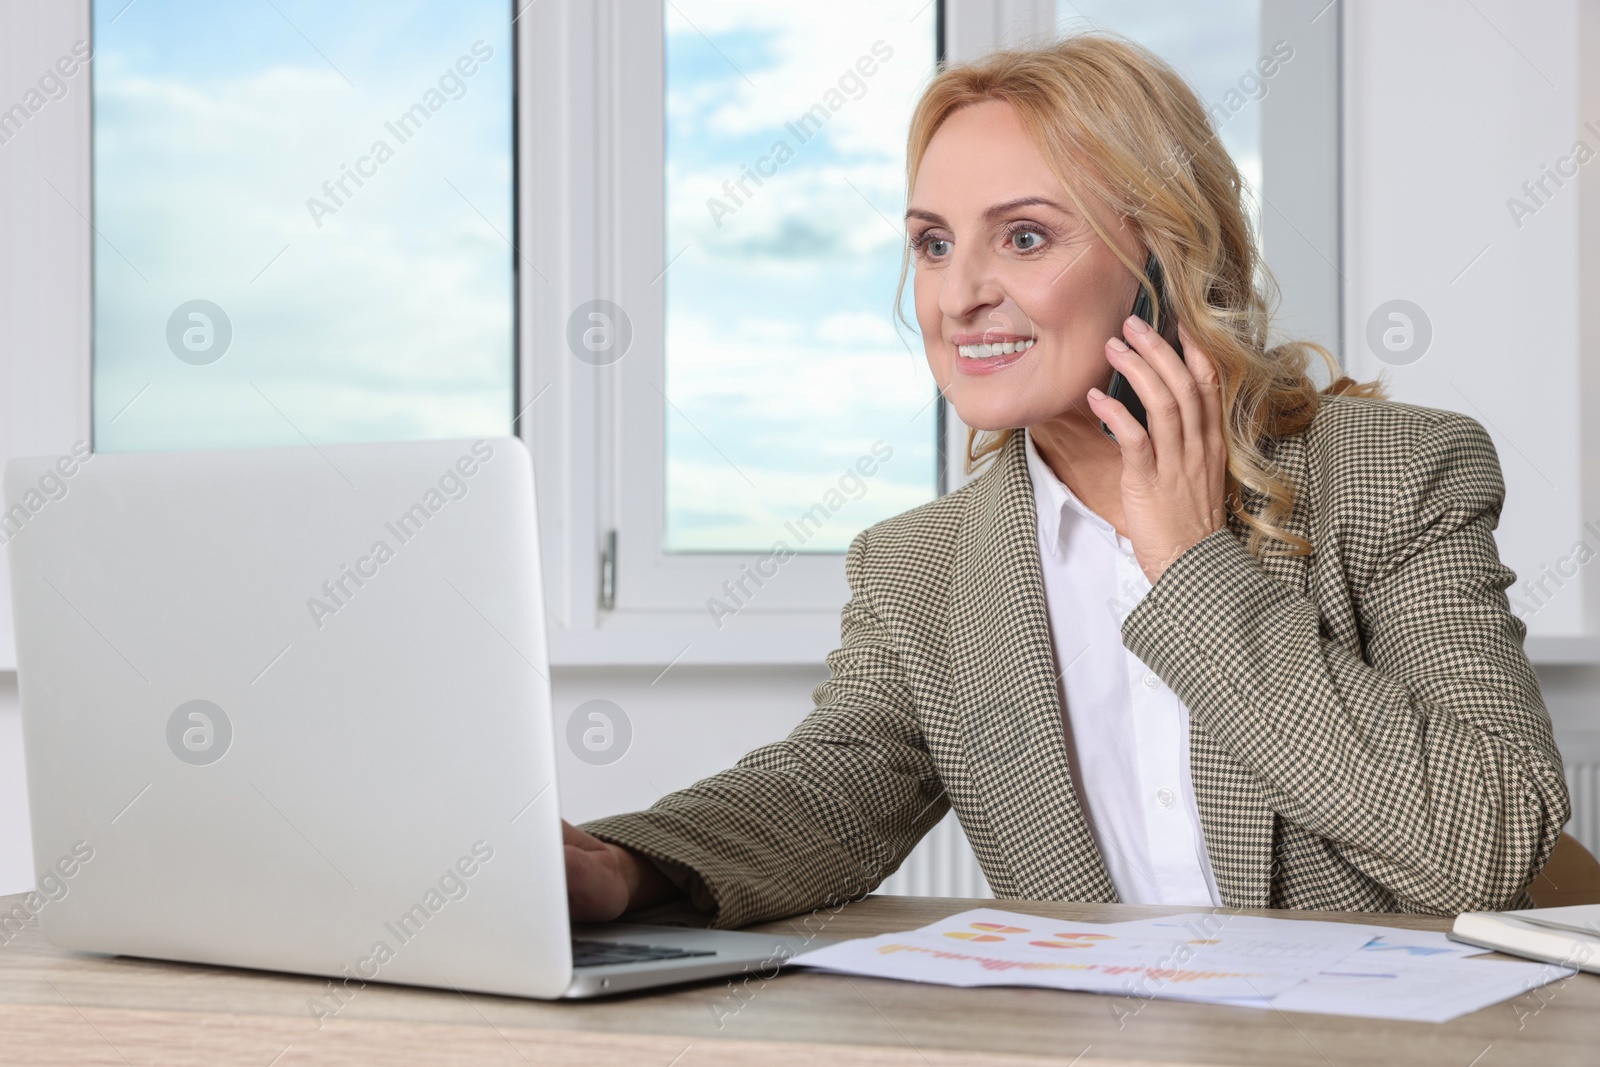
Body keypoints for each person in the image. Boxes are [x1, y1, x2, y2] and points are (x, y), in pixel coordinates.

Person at [562, 33, 1571, 927]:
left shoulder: (1395, 475)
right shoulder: (921, 569)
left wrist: (1189, 569)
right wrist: (626, 866)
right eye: (933, 244)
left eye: (1026, 236)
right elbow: (830, 788)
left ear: (1168, 254)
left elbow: (1484, 843)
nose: (958, 296)